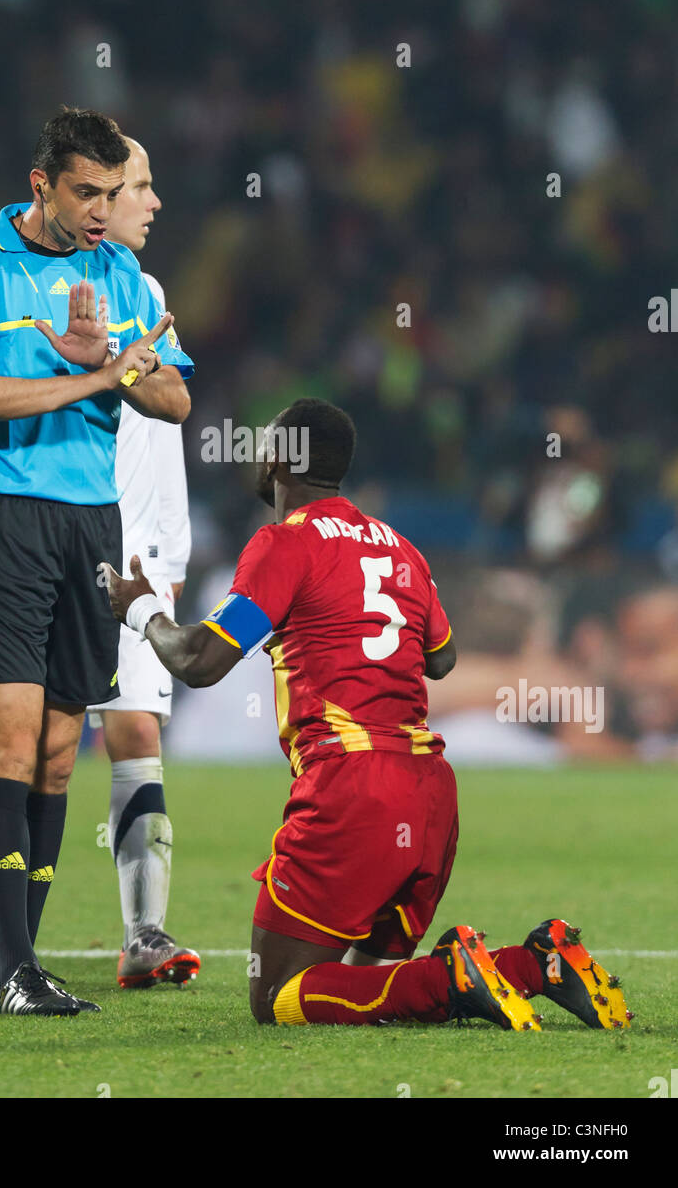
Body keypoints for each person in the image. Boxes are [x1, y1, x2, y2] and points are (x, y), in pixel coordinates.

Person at [104, 398, 632, 1033]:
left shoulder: (283, 545)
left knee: (276, 994)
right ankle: (534, 964)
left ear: (277, 459)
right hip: (429, 796)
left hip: (351, 793)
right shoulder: (403, 549)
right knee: (370, 986)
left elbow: (199, 660)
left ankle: (456, 973)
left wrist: (139, 610)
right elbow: (443, 659)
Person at [0, 108, 193, 1016]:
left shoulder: (123, 276)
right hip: (0, 512)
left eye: (113, 194)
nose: (102, 211)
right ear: (41, 185)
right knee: (12, 729)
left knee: (64, 750)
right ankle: (9, 970)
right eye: (87, 192)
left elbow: (176, 398)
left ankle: (23, 963)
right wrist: (89, 376)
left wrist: (112, 353)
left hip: (92, 526)